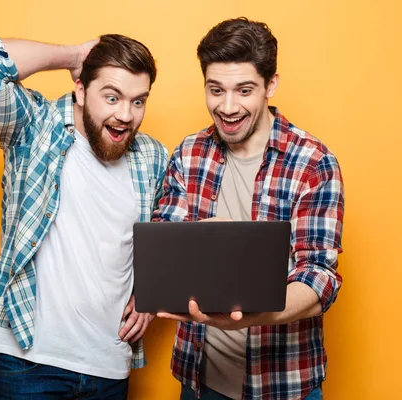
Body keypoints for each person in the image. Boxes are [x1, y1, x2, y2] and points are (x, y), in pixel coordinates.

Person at [0, 33, 168, 399]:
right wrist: (74, 55)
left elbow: (170, 235)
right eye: (112, 97)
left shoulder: (152, 157)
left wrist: (151, 292)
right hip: (26, 364)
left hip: (109, 366)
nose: (125, 114)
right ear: (80, 89)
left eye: (138, 101)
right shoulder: (33, 128)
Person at [153, 17, 344, 400]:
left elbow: (319, 276)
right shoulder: (189, 153)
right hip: (199, 377)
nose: (227, 107)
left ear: (270, 85)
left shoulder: (313, 162)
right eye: (215, 89)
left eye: (244, 90)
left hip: (284, 383)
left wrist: (256, 314)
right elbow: (164, 240)